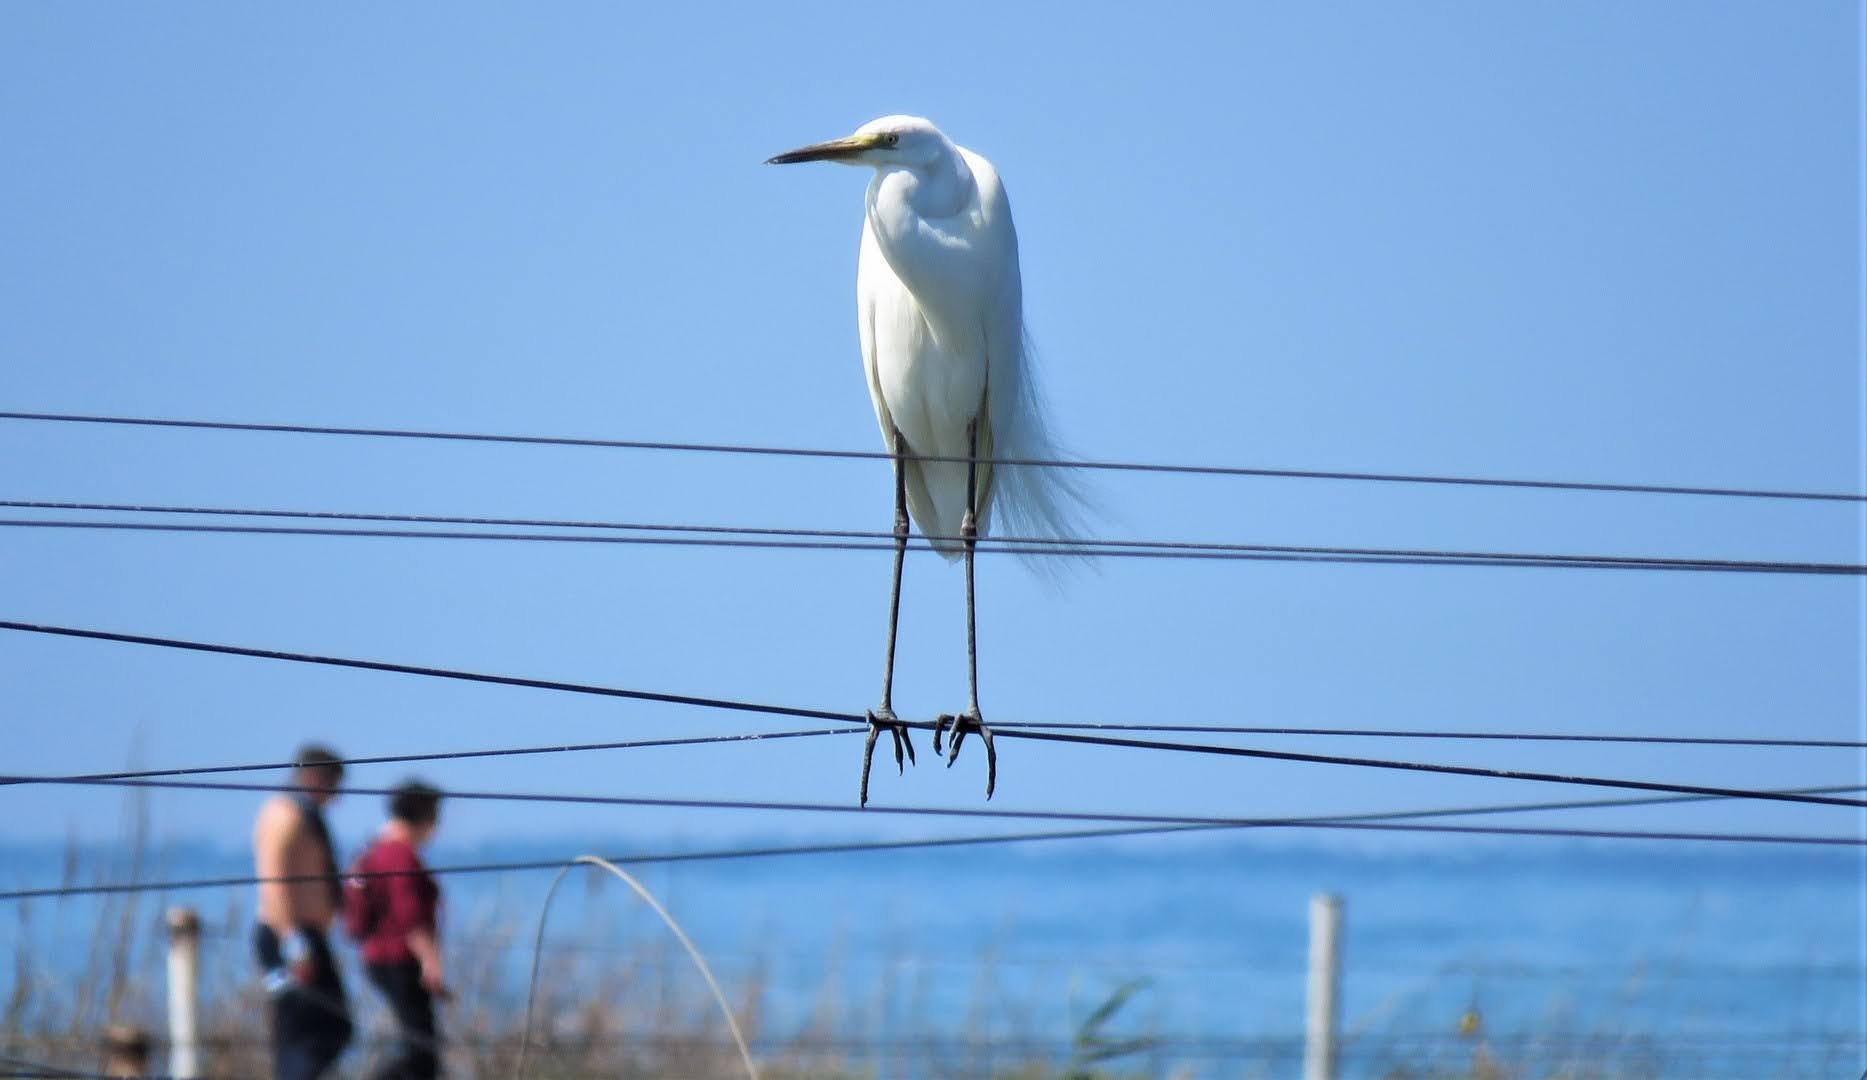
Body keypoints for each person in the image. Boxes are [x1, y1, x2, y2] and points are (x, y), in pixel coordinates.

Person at [252, 743, 353, 1079]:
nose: (336, 796)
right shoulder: (284, 815)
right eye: (333, 784)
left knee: (330, 1027)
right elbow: (274, 880)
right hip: (289, 937)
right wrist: (293, 940)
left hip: (306, 935)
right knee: (307, 1030)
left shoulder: (303, 813)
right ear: (314, 777)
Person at [349, 780, 446, 1080]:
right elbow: (409, 914)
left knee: (417, 1048)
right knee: (421, 1054)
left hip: (380, 958)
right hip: (399, 959)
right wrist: (430, 961)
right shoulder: (400, 854)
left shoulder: (375, 848)